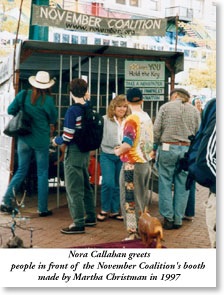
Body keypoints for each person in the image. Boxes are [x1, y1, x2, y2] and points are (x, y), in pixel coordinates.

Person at [1, 71, 57, 217]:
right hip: (41, 140)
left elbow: (10, 110)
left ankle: (6, 200)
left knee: (21, 170)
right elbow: (53, 118)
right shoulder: (48, 101)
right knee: (42, 173)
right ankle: (42, 209)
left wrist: (24, 113)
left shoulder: (23, 95)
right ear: (47, 86)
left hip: (24, 139)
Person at [152, 88, 201, 230]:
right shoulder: (194, 111)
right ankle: (178, 218)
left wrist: (154, 148)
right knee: (183, 184)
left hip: (168, 147)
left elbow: (156, 130)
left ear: (174, 96)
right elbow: (199, 132)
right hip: (186, 149)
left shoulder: (165, 107)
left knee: (165, 182)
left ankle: (168, 218)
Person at [52, 78, 96, 234]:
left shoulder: (72, 111)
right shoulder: (88, 107)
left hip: (74, 151)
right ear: (85, 91)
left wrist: (56, 140)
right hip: (85, 152)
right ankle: (91, 216)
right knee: (85, 185)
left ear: (70, 92)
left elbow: (67, 137)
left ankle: (78, 223)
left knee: (73, 190)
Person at [114, 88, 154, 240]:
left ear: (128, 102)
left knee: (129, 199)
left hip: (131, 163)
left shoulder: (131, 119)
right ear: (142, 100)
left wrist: (118, 151)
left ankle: (133, 232)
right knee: (141, 199)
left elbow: (127, 144)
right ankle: (142, 228)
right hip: (145, 162)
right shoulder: (147, 117)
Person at [97, 95, 130, 222]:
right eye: (119, 106)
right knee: (108, 182)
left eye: (125, 106)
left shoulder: (129, 121)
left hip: (122, 156)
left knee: (118, 184)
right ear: (113, 107)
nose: (122, 109)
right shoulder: (105, 120)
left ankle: (115, 210)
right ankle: (105, 208)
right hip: (107, 154)